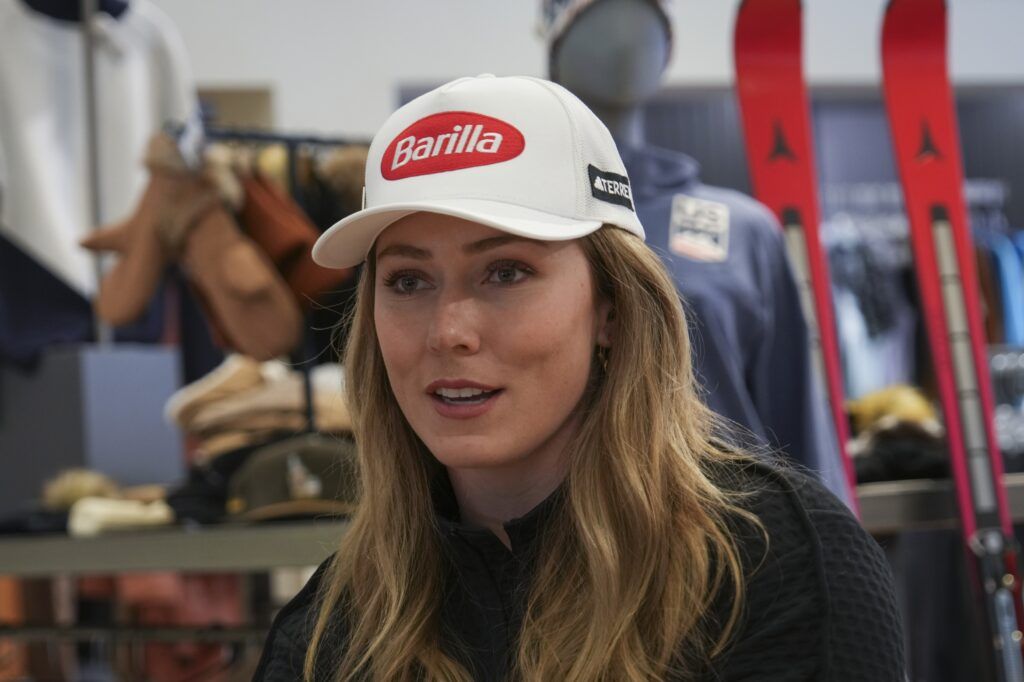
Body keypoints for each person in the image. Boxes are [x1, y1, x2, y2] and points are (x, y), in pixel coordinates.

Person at [253, 74, 904, 682]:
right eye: (407, 281)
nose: (448, 331)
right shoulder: (326, 636)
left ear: (611, 309)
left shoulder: (772, 568)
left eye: (505, 272)